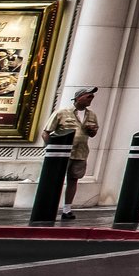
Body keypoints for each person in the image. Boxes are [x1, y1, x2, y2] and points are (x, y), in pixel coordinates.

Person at [47, 86, 100, 218]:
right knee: (56, 180)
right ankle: (48, 207)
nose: (91, 99)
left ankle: (67, 209)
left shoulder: (91, 115)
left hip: (80, 152)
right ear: (78, 98)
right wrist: (51, 150)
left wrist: (92, 131)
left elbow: (93, 134)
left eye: (92, 97)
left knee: (73, 179)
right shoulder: (62, 113)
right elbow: (46, 132)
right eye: (88, 96)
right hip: (62, 154)